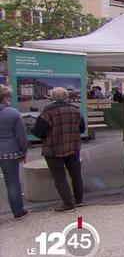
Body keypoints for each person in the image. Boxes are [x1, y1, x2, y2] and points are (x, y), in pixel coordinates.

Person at [31, 87, 85, 212]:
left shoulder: (48, 112)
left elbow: (38, 132)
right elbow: (82, 129)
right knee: (76, 174)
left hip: (54, 148)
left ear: (52, 97)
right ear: (66, 97)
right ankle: (79, 200)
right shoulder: (75, 110)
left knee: (59, 176)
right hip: (73, 146)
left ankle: (68, 203)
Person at [0, 85, 28, 220]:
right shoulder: (12, 113)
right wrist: (23, 151)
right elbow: (21, 135)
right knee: (12, 182)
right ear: (4, 97)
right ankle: (18, 211)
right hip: (9, 150)